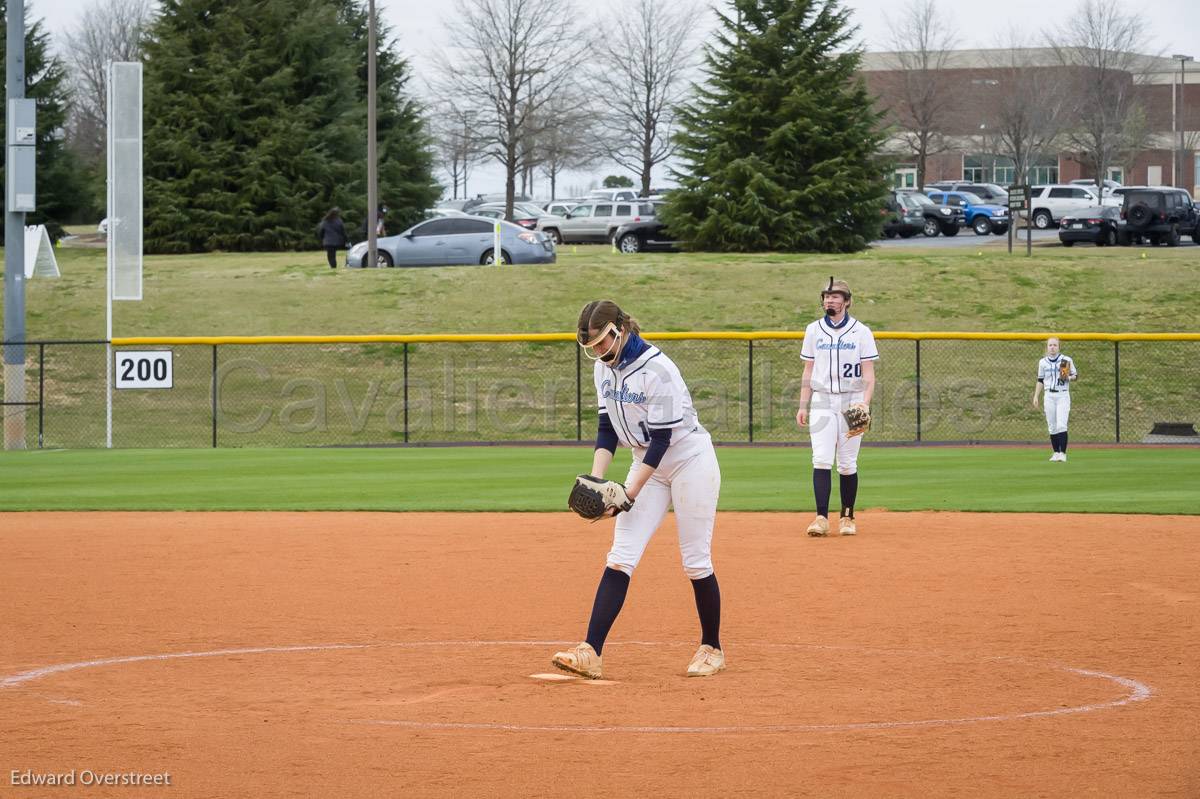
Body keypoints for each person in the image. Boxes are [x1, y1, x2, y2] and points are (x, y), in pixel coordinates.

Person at [552, 300, 725, 680]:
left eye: (601, 343)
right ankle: (591, 652)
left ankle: (712, 647)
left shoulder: (659, 370)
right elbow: (606, 428)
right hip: (646, 459)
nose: (598, 352)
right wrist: (597, 481)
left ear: (619, 329)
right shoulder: (603, 370)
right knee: (620, 556)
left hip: (687, 460)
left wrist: (627, 494)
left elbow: (663, 440)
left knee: (695, 560)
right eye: (591, 348)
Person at [796, 278, 878, 537]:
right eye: (826, 296)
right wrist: (802, 405)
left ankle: (847, 517)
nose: (830, 300)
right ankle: (821, 518)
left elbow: (869, 374)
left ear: (847, 301)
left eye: (836, 295)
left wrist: (864, 403)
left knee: (847, 463)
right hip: (821, 399)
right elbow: (808, 370)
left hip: (853, 399)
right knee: (820, 459)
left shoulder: (861, 331)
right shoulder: (813, 330)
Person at [1033, 337, 1077, 461]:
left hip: (1062, 395)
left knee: (1061, 425)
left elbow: (1075, 375)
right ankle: (1056, 452)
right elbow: (1040, 380)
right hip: (1049, 395)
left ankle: (1063, 453)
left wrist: (1068, 377)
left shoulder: (1065, 360)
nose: (1052, 347)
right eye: (1050, 345)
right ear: (1047, 347)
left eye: (1055, 345)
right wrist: (1036, 396)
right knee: (1051, 425)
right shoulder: (1043, 362)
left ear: (1059, 347)